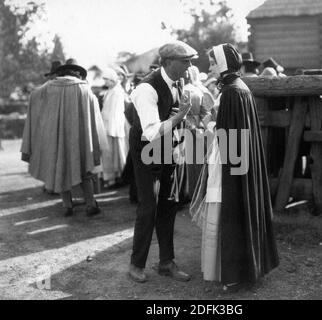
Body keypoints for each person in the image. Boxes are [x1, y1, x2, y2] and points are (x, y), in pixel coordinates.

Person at [190, 43, 279, 291]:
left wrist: (204, 130)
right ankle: (245, 268)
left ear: (221, 64)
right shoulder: (238, 87)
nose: (208, 67)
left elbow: (225, 134)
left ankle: (236, 273)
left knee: (232, 210)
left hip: (231, 160)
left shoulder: (231, 92)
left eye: (211, 62)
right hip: (238, 157)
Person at [128, 40, 197, 283]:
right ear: (168, 63)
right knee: (149, 206)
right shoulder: (146, 89)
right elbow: (151, 132)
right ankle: (136, 264)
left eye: (190, 61)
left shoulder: (179, 80)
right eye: (185, 61)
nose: (190, 66)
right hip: (147, 149)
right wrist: (180, 117)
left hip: (168, 147)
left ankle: (166, 262)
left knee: (168, 204)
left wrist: (187, 124)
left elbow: (172, 113)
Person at [21, 59, 107, 217]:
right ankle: (90, 204)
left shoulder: (48, 88)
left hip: (57, 139)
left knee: (60, 167)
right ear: (77, 74)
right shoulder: (85, 89)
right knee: (85, 169)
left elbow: (33, 97)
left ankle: (67, 206)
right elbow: (95, 117)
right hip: (81, 139)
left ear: (61, 73)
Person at [100, 68, 129, 188]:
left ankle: (119, 177)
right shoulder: (110, 91)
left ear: (112, 79)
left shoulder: (117, 92)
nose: (105, 83)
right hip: (108, 126)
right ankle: (113, 177)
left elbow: (116, 111)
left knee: (117, 153)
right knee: (110, 154)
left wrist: (111, 128)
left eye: (107, 80)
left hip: (114, 127)